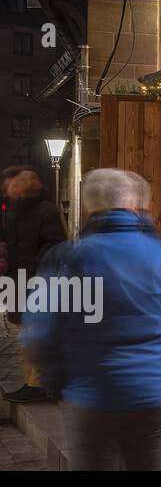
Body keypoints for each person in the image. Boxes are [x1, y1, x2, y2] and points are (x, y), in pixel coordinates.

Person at [20, 169, 161, 470]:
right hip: (151, 392)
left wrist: (58, 382)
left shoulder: (69, 257)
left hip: (89, 393)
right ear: (135, 205)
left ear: (90, 207)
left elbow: (40, 331)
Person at [1, 168, 68, 404]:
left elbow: (56, 243)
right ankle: (34, 381)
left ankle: (38, 383)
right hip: (18, 278)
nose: (6, 188)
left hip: (37, 280)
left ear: (21, 187)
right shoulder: (15, 210)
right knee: (23, 332)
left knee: (34, 333)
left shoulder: (46, 210)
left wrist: (33, 267)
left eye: (10, 184)